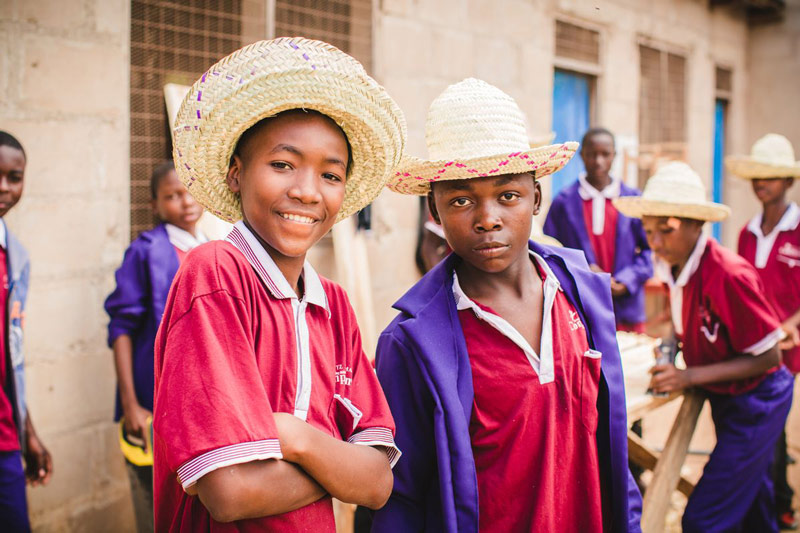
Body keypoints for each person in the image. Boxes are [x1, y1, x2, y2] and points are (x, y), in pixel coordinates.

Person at [152, 37, 406, 531]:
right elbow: (230, 493)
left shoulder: (332, 304)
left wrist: (296, 437)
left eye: (330, 174)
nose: (306, 191)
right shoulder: (216, 274)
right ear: (235, 173)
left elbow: (377, 484)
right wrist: (336, 460)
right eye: (283, 164)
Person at [372, 78, 642, 533]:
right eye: (460, 200)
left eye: (508, 195)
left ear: (536, 198)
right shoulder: (413, 344)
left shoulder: (581, 293)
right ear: (434, 213)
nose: (488, 218)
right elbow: (402, 496)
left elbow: (612, 447)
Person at [615, 161, 793, 533]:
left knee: (704, 518)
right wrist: (669, 347)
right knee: (752, 498)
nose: (657, 242)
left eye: (667, 230)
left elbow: (769, 355)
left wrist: (687, 374)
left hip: (757, 400)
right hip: (724, 393)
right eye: (649, 232)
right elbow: (681, 323)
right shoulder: (672, 264)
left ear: (697, 225)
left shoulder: (729, 274)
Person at [104, 160, 207, 532]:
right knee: (157, 506)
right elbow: (121, 330)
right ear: (155, 205)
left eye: (189, 191)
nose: (185, 202)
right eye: (172, 196)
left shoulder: (213, 250)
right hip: (154, 402)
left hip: (201, 405)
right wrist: (131, 404)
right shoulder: (145, 252)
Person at [727, 133, 800, 530]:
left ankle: (778, 508)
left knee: (772, 429)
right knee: (764, 431)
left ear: (788, 181)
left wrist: (790, 324)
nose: (761, 183)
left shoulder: (799, 227)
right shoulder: (746, 232)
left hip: (787, 351)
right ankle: (771, 505)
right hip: (752, 348)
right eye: (756, 176)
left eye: (770, 176)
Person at [544, 127, 652, 333]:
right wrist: (582, 268)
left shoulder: (634, 200)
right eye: (592, 154)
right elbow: (548, 251)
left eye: (605, 154)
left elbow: (650, 251)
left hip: (626, 309)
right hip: (580, 306)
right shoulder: (564, 202)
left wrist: (627, 280)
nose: (598, 161)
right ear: (582, 155)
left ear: (615, 156)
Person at [0, 131, 53, 532]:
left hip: (4, 440)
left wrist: (27, 431)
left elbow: (10, 356)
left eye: (14, 176)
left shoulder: (16, 258)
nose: (4, 186)